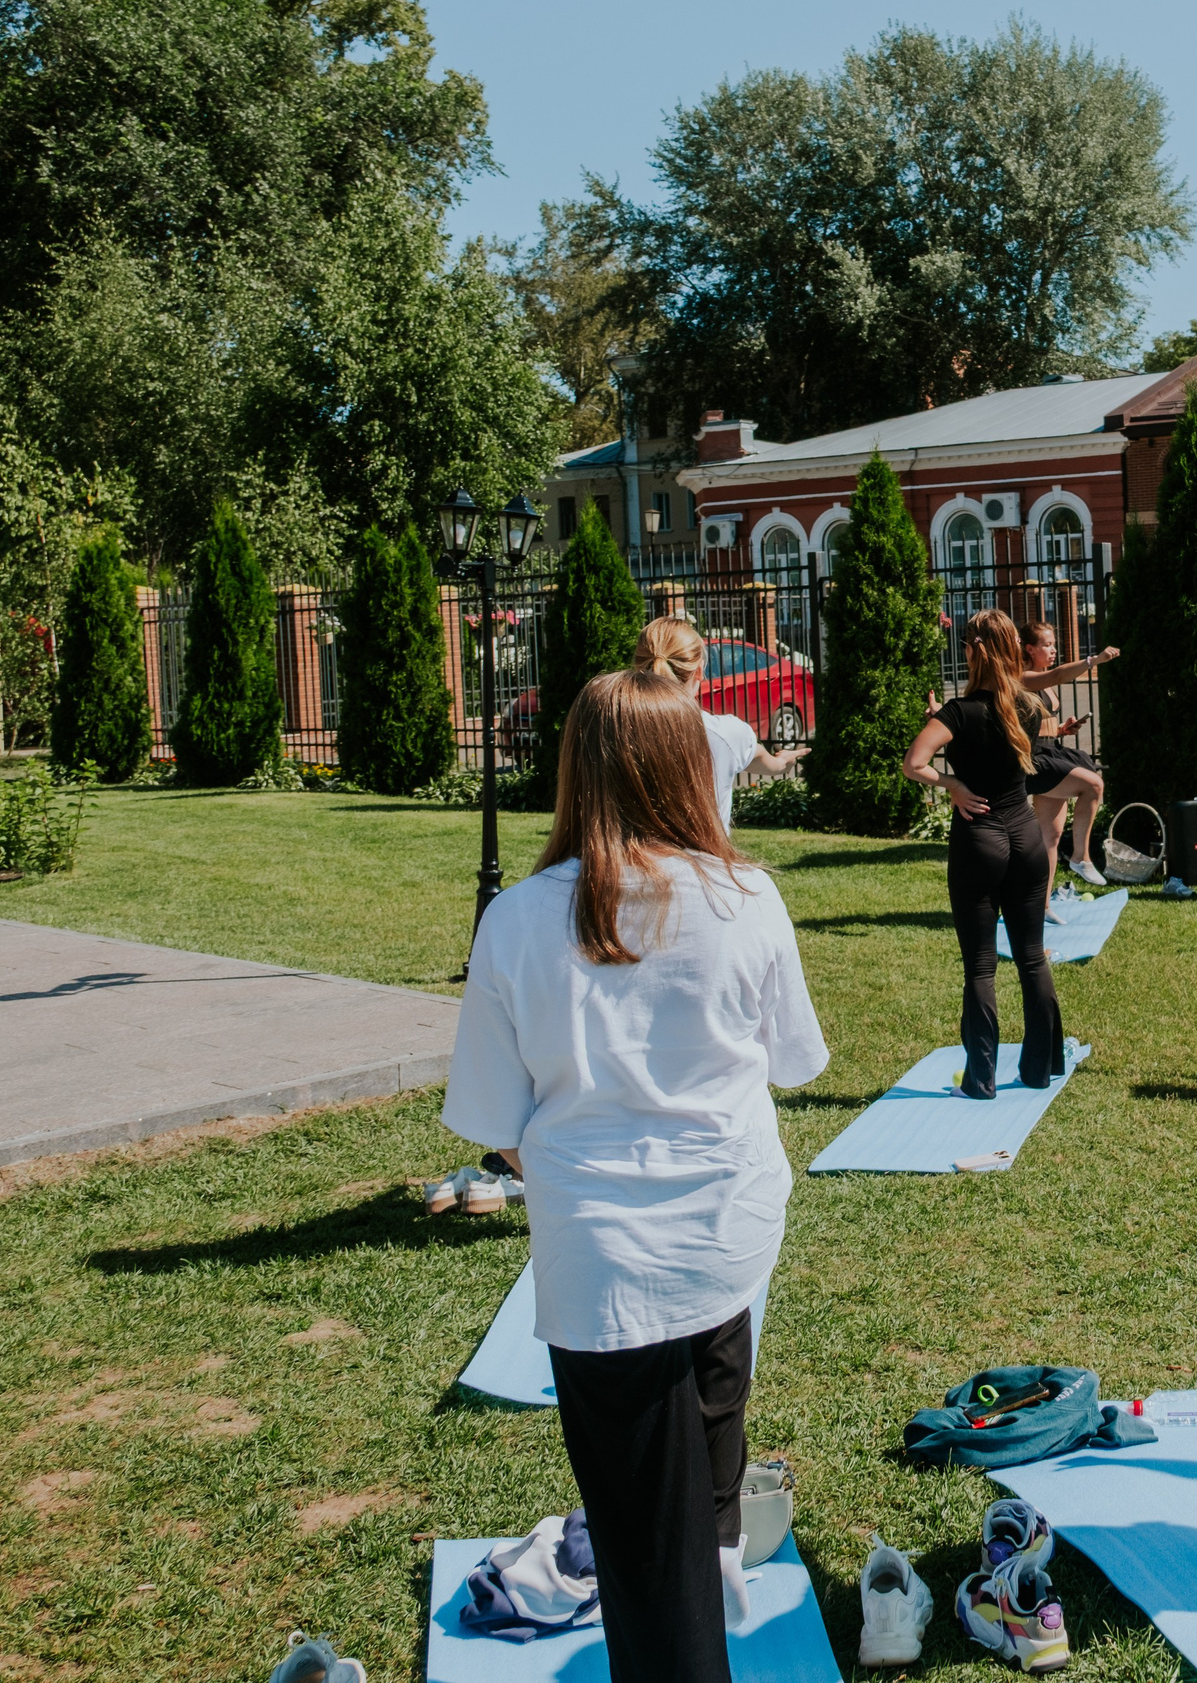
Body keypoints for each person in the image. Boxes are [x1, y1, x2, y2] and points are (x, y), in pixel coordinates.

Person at [444, 668, 828, 1683]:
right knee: (707, 1434)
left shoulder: (518, 919)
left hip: (607, 1259)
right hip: (727, 1224)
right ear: (688, 766)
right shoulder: (745, 895)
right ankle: (712, 1568)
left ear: (574, 770)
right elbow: (794, 1060)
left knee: (644, 1545)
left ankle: (697, 1599)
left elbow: (496, 1124)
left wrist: (588, 1167)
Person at [902, 611, 1067, 1099]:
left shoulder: (958, 711)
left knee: (980, 966)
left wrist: (951, 783)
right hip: (1027, 839)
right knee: (1032, 957)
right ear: (1014, 650)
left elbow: (914, 764)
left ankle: (981, 1080)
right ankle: (1039, 1069)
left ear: (972, 650)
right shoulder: (1030, 705)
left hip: (981, 841)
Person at [633, 616, 808, 833]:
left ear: (638, 668)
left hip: (630, 862)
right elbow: (769, 763)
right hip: (706, 863)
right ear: (699, 672)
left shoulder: (614, 731)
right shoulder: (727, 734)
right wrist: (784, 760)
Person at [1021, 618, 1118, 891]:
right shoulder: (1023, 678)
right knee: (1093, 785)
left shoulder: (1043, 681)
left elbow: (1033, 722)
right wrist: (1094, 660)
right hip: (1036, 759)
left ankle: (1043, 904)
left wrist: (1062, 729)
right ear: (1029, 649)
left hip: (1052, 749)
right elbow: (1059, 675)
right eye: (1047, 645)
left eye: (1054, 645)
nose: (1053, 650)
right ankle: (1080, 857)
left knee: (1050, 837)